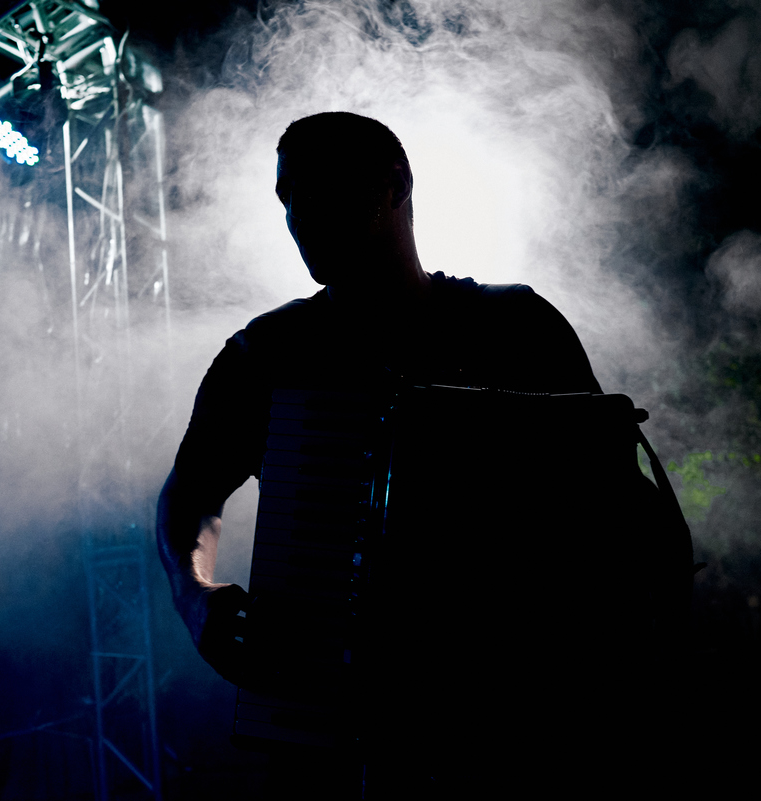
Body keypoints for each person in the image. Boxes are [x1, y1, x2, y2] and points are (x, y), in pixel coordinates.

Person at [157, 112, 613, 797]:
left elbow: (615, 501)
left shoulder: (517, 326)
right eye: (286, 198)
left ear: (394, 185)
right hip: (332, 735)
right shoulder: (268, 352)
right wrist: (194, 595)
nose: (298, 215)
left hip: (520, 730)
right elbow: (190, 493)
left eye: (317, 189)